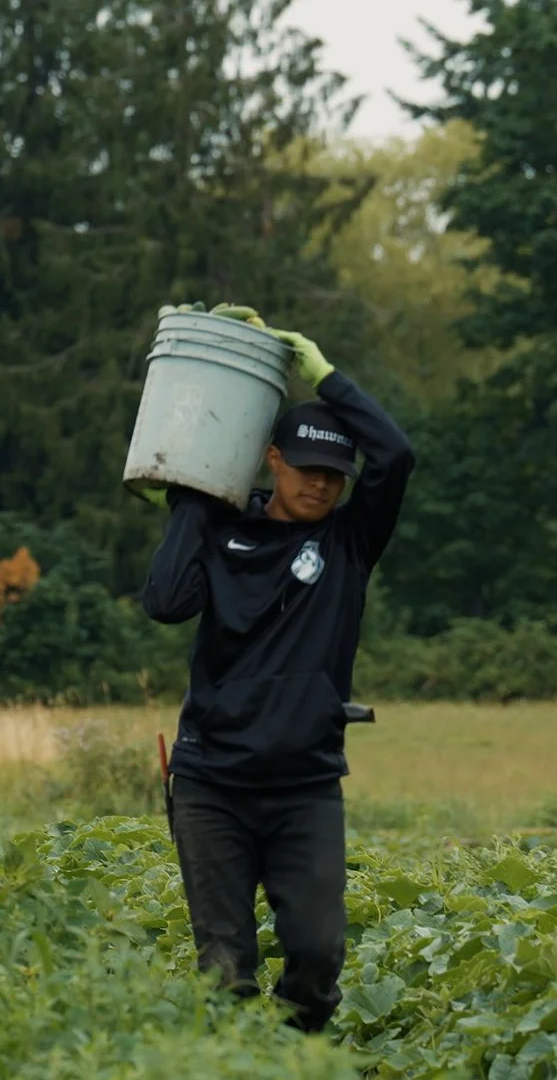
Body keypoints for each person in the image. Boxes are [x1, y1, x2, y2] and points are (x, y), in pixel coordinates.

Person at [140, 307, 415, 1033]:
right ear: (271, 459)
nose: (322, 487)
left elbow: (399, 455)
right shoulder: (223, 529)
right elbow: (165, 602)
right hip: (212, 787)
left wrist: (327, 378)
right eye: (308, 470)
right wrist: (194, 494)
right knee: (224, 971)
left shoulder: (350, 544)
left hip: (303, 787)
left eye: (335, 476)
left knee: (319, 957)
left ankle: (296, 1063)